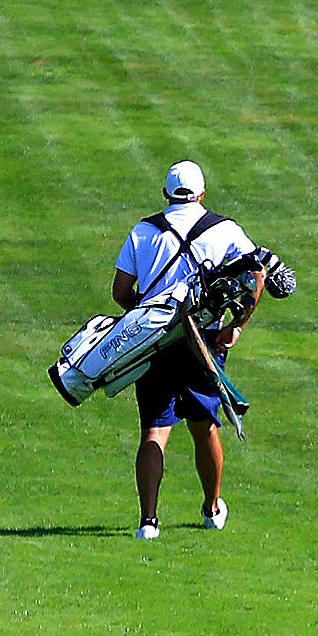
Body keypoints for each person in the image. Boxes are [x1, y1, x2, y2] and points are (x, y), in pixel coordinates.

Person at [112, 161, 265, 538]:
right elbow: (257, 274)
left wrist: (143, 317)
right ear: (201, 193)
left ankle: (148, 522)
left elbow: (120, 292)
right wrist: (235, 327)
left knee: (154, 430)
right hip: (203, 341)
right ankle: (212, 508)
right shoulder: (225, 230)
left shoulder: (143, 231)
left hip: (153, 344)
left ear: (166, 194)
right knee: (204, 426)